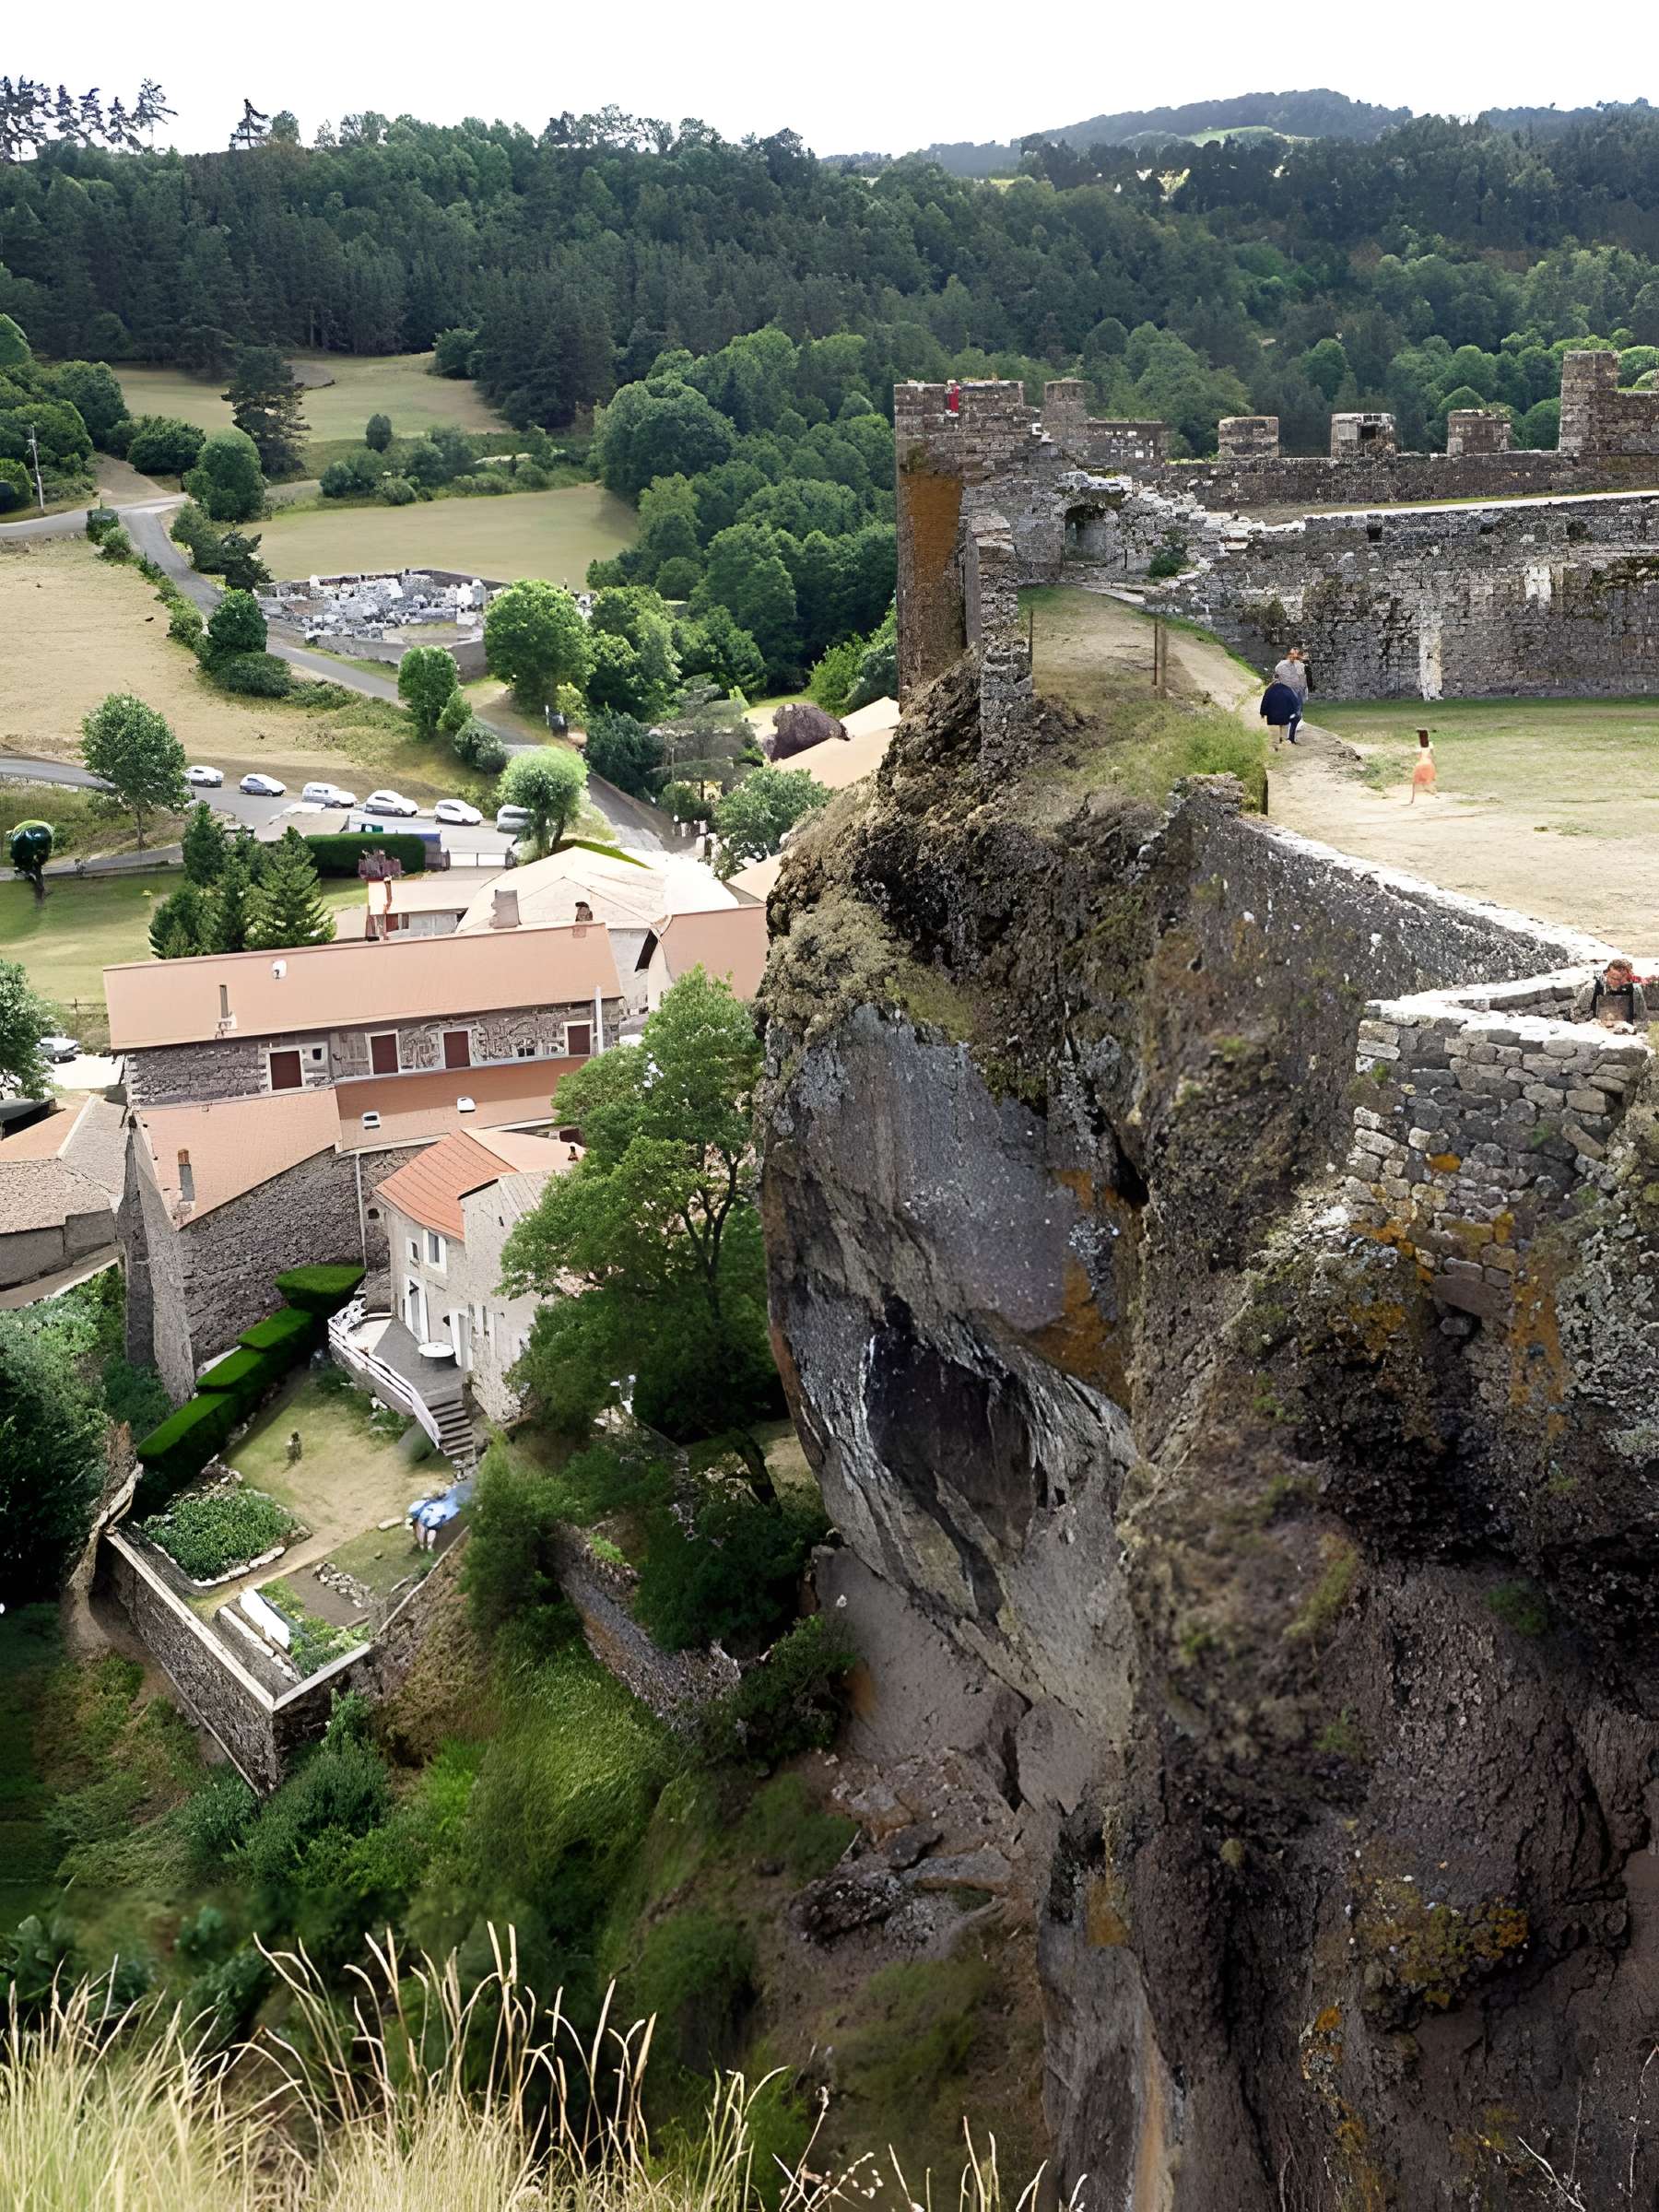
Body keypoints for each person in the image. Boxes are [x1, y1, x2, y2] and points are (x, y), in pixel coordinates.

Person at [1573, 957, 1648, 1031]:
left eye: (1621, 979)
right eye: (1614, 978)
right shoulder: (1592, 988)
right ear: (1607, 973)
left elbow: (1642, 1021)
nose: (1617, 982)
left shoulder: (1635, 990)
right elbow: (1577, 1016)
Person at [1273, 646, 1309, 741]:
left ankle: (1290, 738)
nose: (1294, 656)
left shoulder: (1300, 666)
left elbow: (1303, 682)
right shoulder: (1282, 665)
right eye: (1292, 654)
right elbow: (1277, 677)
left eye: (1296, 655)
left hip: (1297, 693)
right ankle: (1286, 737)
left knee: (1296, 716)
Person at [1259, 677, 1301, 747]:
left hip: (1272, 717)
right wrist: (1293, 712)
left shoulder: (1269, 690)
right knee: (1284, 736)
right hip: (1285, 717)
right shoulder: (1287, 690)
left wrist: (1262, 713)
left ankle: (1275, 748)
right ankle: (1283, 744)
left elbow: (1265, 702)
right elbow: (1295, 702)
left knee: (1274, 735)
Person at [1408, 727, 1437, 804]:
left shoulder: (1419, 748)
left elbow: (1417, 755)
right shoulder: (1430, 745)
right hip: (1429, 764)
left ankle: (1412, 799)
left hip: (1420, 765)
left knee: (1415, 782)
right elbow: (1432, 755)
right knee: (1432, 779)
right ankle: (1434, 792)